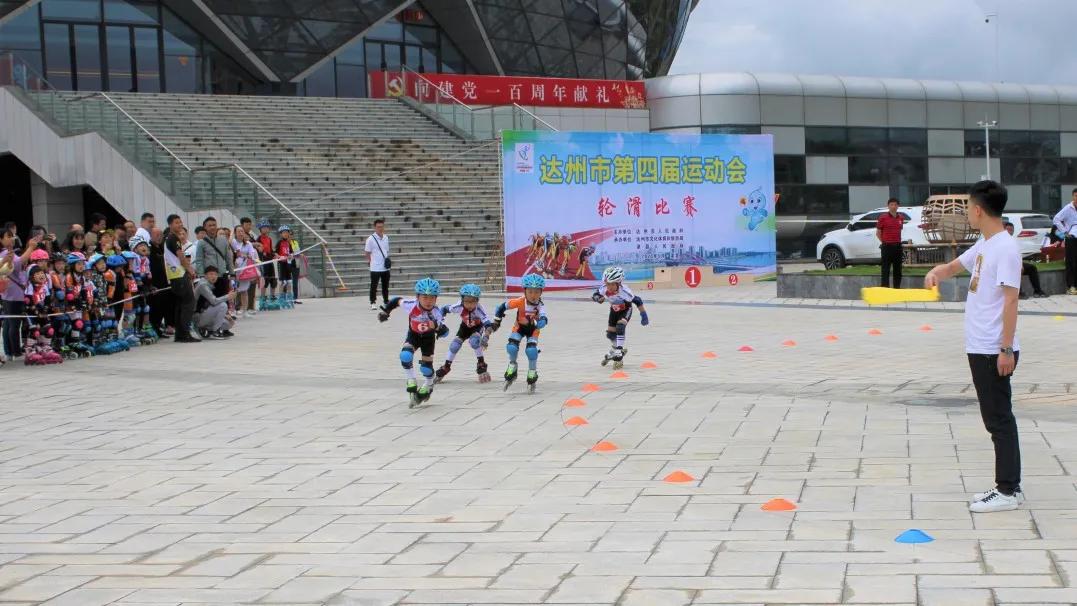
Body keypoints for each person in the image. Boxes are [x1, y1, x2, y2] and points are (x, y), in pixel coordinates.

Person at [925, 180, 1022, 513]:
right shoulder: (986, 243)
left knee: (999, 419)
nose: (966, 213)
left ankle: (1008, 491)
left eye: (967, 207)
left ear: (979, 210)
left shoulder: (1006, 248)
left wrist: (1006, 349)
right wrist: (938, 271)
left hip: (994, 348)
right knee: (994, 417)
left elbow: (1012, 301)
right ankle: (1008, 486)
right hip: (980, 345)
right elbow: (956, 266)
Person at [378, 277, 448, 406]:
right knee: (405, 355)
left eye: (432, 298)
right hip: (413, 336)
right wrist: (386, 312)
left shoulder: (436, 312)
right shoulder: (411, 305)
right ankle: (411, 379)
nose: (428, 301)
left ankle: (429, 383)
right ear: (418, 297)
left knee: (426, 369)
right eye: (425, 297)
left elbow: (445, 331)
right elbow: (396, 301)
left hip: (428, 340)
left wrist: (439, 328)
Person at [490, 273, 549, 392]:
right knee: (512, 347)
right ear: (525, 291)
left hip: (533, 330)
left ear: (541, 292)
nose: (533, 295)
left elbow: (544, 319)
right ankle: (512, 366)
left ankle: (532, 372)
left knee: (531, 351)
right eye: (530, 292)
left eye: (537, 292)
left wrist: (540, 322)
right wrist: (497, 321)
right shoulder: (520, 301)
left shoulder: (541, 306)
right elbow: (501, 307)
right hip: (519, 327)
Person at [434, 284, 494, 384]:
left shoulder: (479, 309)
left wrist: (486, 337)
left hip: (477, 327)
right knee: (454, 346)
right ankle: (446, 366)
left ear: (477, 301)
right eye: (467, 301)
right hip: (464, 327)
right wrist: (441, 324)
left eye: (473, 301)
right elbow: (443, 310)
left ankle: (481, 363)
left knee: (474, 342)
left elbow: (488, 325)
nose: (470, 305)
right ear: (462, 300)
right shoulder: (458, 306)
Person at [591, 266, 650, 369]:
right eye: (607, 284)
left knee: (620, 327)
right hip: (614, 311)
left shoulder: (625, 291)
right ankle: (616, 349)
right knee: (610, 334)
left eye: (611, 284)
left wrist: (643, 315)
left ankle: (618, 351)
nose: (608, 286)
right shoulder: (604, 288)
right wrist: (598, 298)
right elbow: (595, 294)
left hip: (626, 310)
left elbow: (638, 301)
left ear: (618, 283)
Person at [2, 230, 42, 359]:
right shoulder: (5, 253)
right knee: (14, 324)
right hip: (14, 294)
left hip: (9, 293)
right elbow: (18, 264)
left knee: (9, 323)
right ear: (1, 239)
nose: (12, 238)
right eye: (8, 236)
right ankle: (15, 352)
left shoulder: (7, 252)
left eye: (12, 236)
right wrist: (30, 248)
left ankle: (9, 352)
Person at [164, 214, 200, 343]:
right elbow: (181, 257)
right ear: (170, 225)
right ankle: (184, 333)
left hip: (175, 276)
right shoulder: (173, 238)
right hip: (179, 274)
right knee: (188, 303)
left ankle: (180, 334)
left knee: (180, 304)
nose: (179, 225)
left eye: (180, 222)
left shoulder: (170, 238)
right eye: (176, 223)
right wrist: (190, 270)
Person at [1003, 222, 1049, 299]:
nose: (1010, 232)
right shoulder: (1002, 241)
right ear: (1004, 230)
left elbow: (1017, 255)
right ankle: (1019, 293)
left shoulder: (1013, 240)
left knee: (1032, 268)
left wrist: (1020, 264)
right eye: (1008, 230)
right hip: (1005, 265)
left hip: (1015, 263)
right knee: (1015, 269)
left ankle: (1037, 291)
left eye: (1012, 230)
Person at [194, 217, 234, 297]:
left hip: (222, 275)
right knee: (209, 302)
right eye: (210, 225)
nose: (212, 227)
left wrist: (232, 273)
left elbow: (228, 258)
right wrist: (201, 275)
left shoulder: (223, 240)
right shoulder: (201, 243)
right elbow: (199, 260)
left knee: (223, 300)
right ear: (205, 227)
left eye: (214, 225)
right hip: (208, 277)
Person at [192, 265, 235, 339]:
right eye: (211, 274)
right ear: (205, 275)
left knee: (228, 324)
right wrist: (228, 296)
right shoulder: (203, 285)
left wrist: (225, 315)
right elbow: (214, 301)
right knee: (223, 305)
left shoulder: (211, 285)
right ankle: (214, 332)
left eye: (215, 274)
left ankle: (206, 329)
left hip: (205, 314)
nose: (214, 276)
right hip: (198, 317)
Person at [147, 227, 173, 336]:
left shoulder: (163, 248)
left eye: (160, 235)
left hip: (165, 282)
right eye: (156, 235)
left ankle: (158, 327)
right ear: (151, 236)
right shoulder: (149, 249)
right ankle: (154, 328)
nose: (159, 237)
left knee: (164, 306)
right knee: (155, 307)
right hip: (155, 283)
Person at [1053, 188, 1077, 295]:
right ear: (1073, 196)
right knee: (1071, 262)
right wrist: (1065, 232)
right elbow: (1056, 219)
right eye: (1076, 196)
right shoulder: (1068, 208)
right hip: (1071, 238)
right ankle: (1070, 286)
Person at [231, 226, 259, 318]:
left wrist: (243, 255)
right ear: (235, 233)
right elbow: (230, 244)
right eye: (238, 231)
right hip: (234, 269)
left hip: (245, 270)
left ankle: (245, 310)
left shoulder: (248, 243)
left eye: (242, 231)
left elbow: (251, 255)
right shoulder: (233, 242)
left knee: (244, 290)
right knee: (233, 290)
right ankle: (233, 310)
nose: (240, 233)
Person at [877, 197, 904, 288]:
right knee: (885, 270)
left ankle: (897, 289)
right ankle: (885, 290)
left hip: (898, 247)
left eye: (895, 204)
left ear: (898, 206)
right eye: (891, 204)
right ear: (888, 206)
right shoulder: (883, 218)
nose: (893, 206)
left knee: (898, 270)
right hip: (887, 247)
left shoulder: (901, 218)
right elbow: (878, 233)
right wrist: (885, 242)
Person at [365, 219, 391, 311]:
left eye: (382, 226)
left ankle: (386, 301)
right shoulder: (370, 239)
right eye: (378, 227)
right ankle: (373, 302)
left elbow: (386, 251)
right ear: (375, 227)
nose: (380, 228)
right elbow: (367, 252)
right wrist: (370, 262)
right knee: (374, 286)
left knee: (385, 286)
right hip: (375, 267)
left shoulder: (386, 237)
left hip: (385, 267)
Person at [275, 225, 299, 306]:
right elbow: (275, 252)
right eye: (284, 232)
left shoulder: (288, 242)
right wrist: (279, 256)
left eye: (287, 232)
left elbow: (291, 252)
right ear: (281, 234)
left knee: (289, 281)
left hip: (288, 264)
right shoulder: (279, 242)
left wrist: (291, 255)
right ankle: (281, 298)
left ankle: (289, 297)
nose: (285, 234)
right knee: (282, 282)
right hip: (282, 264)